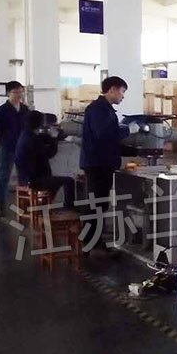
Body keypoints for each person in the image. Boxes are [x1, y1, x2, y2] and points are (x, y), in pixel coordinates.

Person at [80, 76, 138, 252]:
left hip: (101, 163)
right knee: (96, 205)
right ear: (112, 90)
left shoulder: (105, 109)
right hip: (98, 164)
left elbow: (109, 139)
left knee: (99, 204)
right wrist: (127, 130)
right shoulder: (99, 109)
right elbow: (103, 135)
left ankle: (94, 242)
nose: (123, 96)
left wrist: (134, 151)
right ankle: (90, 244)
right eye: (122, 92)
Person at [14, 110, 75, 209]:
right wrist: (54, 138)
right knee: (69, 181)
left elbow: (42, 138)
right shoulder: (32, 140)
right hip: (35, 180)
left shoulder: (25, 135)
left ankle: (43, 204)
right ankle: (69, 208)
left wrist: (52, 136)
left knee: (54, 184)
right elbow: (50, 153)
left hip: (25, 177)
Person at [0, 81, 29, 217]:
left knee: (23, 177)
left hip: (22, 148)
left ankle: (24, 204)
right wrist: (4, 138)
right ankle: (0, 205)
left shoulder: (25, 110)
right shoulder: (0, 111)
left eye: (21, 92)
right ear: (8, 93)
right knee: (3, 177)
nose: (19, 95)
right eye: (15, 92)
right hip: (7, 147)